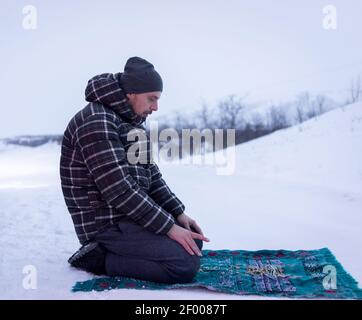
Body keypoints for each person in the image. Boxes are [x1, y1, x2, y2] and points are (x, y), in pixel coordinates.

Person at [60, 57, 209, 284]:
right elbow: (119, 189)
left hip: (128, 215)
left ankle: (131, 250)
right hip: (105, 222)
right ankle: (100, 258)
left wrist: (178, 214)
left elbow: (151, 174)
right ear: (131, 92)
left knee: (192, 241)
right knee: (184, 264)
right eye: (152, 99)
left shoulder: (131, 121)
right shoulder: (96, 121)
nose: (156, 107)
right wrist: (168, 227)